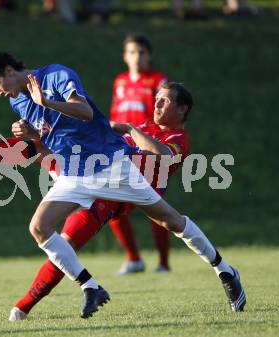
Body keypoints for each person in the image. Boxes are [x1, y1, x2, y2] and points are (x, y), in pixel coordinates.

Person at [0, 52, 246, 318]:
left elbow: (85, 111)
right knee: (39, 227)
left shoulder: (56, 75)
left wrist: (45, 101)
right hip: (76, 172)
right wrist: (32, 133)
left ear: (9, 71)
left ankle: (224, 269)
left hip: (112, 167)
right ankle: (90, 287)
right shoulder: (18, 102)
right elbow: (49, 139)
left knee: (172, 221)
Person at [0, 80, 190, 319]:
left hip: (113, 194)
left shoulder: (178, 138)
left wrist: (130, 130)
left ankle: (23, 307)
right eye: (157, 98)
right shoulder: (144, 125)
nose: (157, 103)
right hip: (92, 172)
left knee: (66, 245)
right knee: (39, 147)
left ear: (182, 109)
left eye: (165, 100)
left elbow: (163, 157)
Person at [109, 34, 172, 274]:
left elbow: (164, 116)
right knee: (111, 204)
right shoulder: (121, 81)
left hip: (150, 150)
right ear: (125, 56)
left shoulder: (158, 80)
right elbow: (115, 114)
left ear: (150, 55)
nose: (137, 56)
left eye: (142, 52)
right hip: (123, 150)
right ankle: (134, 258)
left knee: (155, 208)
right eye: (132, 52)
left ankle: (164, 263)